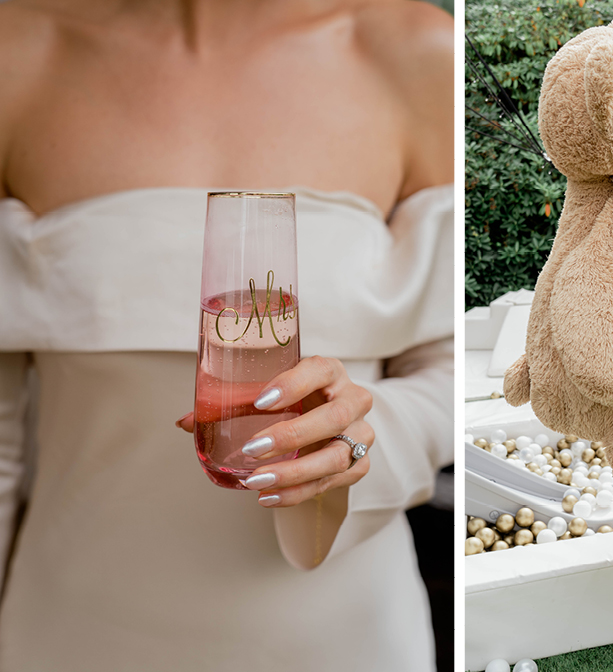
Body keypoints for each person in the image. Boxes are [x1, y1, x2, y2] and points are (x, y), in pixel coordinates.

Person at [0, 0, 453, 670]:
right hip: (69, 630)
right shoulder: (17, 47)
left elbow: (452, 367)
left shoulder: (419, 53)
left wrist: (352, 433)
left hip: (342, 636)